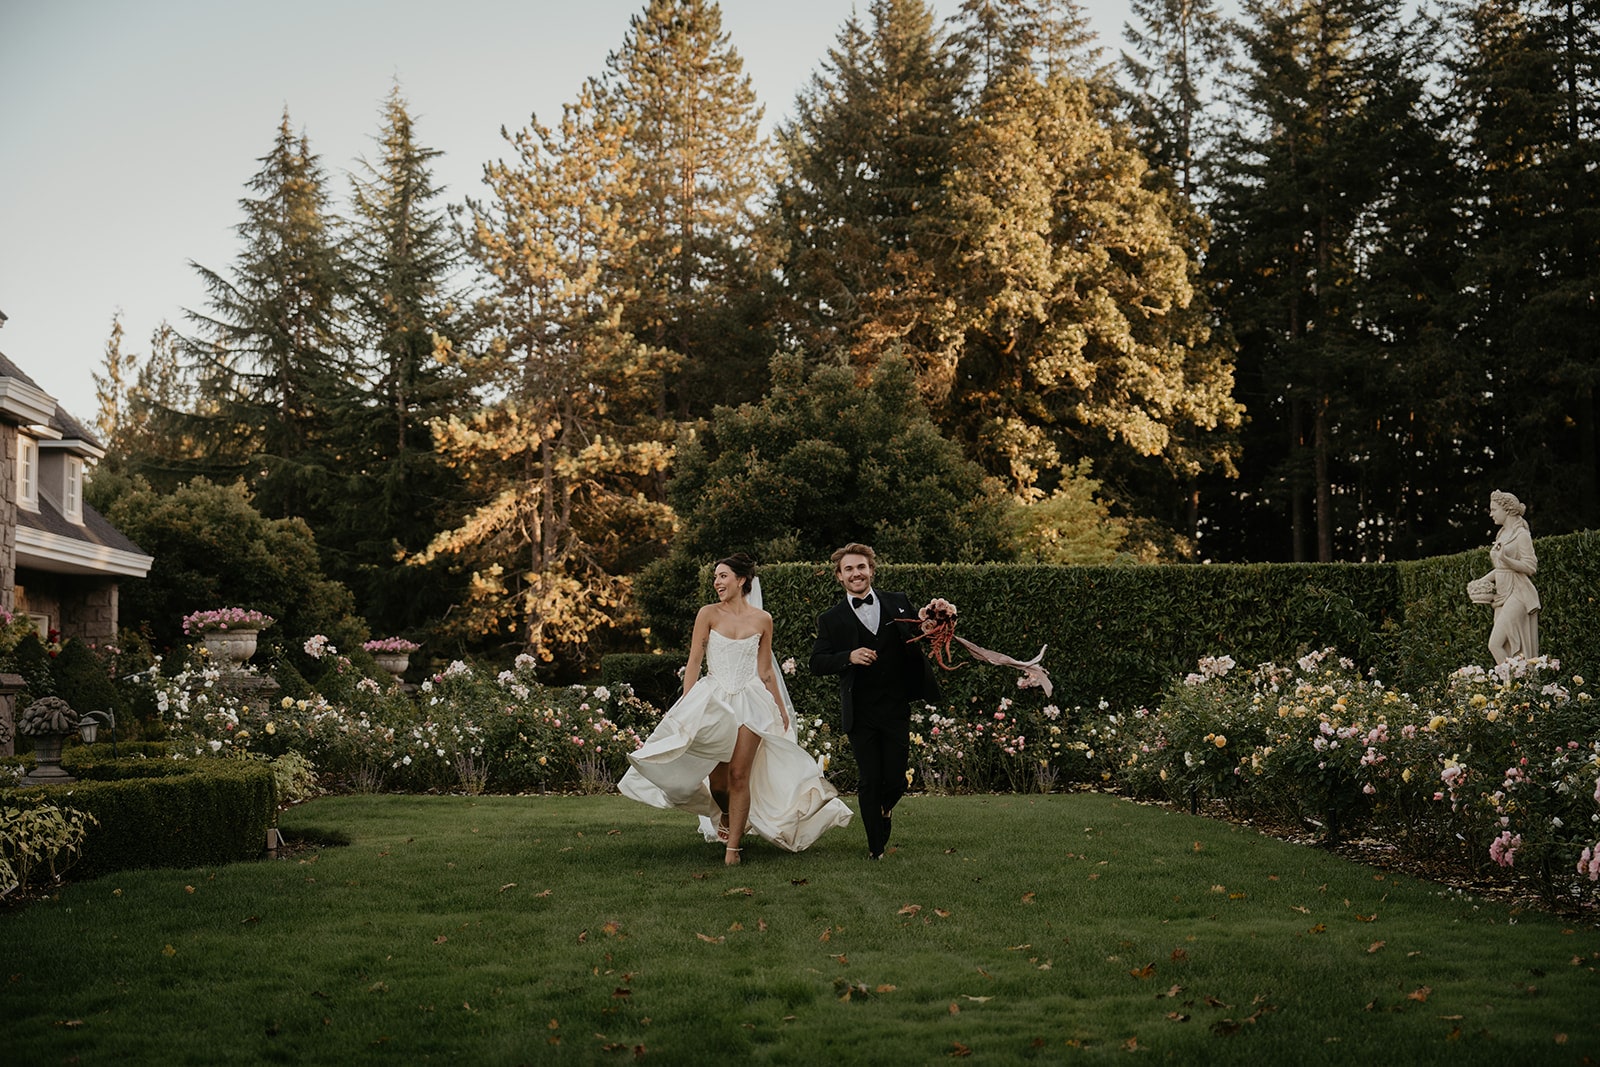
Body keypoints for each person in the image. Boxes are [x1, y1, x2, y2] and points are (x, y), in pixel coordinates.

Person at [619, 554, 852, 865]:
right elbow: (694, 661)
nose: (717, 582)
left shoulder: (763, 619)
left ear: (741, 580)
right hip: (715, 700)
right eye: (716, 577)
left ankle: (733, 850)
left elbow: (766, 670)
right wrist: (688, 702)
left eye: (723, 576)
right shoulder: (708, 614)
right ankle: (727, 812)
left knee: (740, 774)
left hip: (752, 703)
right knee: (719, 783)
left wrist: (782, 710)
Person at [810, 543, 941, 860]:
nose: (856, 573)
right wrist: (849, 656)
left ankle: (885, 810)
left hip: (896, 705)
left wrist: (931, 626)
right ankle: (875, 848)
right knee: (869, 778)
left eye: (861, 567)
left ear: (871, 570)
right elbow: (817, 663)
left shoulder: (898, 603)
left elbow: (918, 634)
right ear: (840, 577)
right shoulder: (832, 619)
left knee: (895, 778)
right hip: (861, 710)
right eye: (849, 569)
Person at [1475, 490, 1540, 664]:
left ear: (1506, 510)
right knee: (1509, 647)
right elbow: (1500, 569)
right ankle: (1510, 687)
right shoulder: (1501, 535)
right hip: (1501, 595)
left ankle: (1513, 686)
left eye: (1494, 509)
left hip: (1518, 592)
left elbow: (1530, 567)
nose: (1491, 514)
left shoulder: (1522, 536)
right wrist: (1481, 582)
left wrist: (1506, 558)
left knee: (1494, 644)